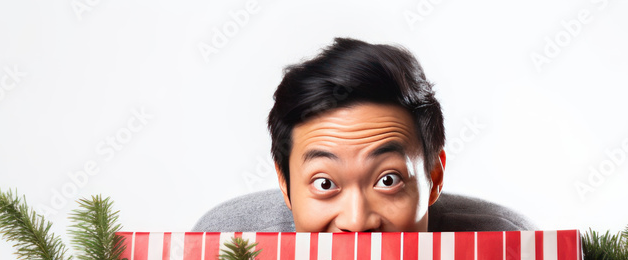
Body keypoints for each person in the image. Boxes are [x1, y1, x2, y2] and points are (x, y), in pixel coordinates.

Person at [193, 38, 535, 232]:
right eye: (325, 184)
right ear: (285, 183)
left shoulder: (508, 243)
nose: (357, 222)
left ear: (434, 175)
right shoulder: (223, 240)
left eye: (388, 180)